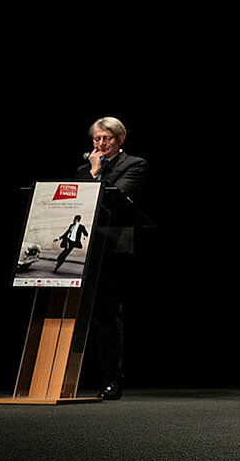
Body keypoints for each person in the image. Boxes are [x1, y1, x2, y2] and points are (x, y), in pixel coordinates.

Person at [75, 116, 148, 401]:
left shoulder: (134, 165)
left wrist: (95, 175)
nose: (100, 144)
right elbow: (75, 203)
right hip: (83, 248)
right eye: (96, 139)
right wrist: (90, 173)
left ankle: (111, 379)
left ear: (119, 140)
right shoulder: (83, 169)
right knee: (82, 314)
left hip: (113, 247)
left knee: (107, 313)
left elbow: (118, 198)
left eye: (106, 139)